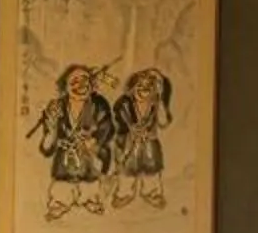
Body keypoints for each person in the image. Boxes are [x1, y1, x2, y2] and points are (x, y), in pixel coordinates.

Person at [31, 62, 115, 219]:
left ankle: (90, 199)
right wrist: (51, 125)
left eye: (84, 80)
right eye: (74, 81)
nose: (80, 85)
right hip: (65, 157)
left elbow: (108, 126)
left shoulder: (99, 104)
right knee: (63, 184)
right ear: (65, 86)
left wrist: (94, 140)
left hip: (89, 154)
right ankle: (60, 203)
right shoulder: (58, 106)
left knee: (90, 181)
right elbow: (48, 145)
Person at [111, 67, 174, 210]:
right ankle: (124, 193)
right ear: (132, 88)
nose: (144, 89)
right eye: (140, 85)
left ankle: (152, 192)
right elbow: (117, 120)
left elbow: (164, 122)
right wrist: (130, 130)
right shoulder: (124, 104)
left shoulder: (155, 103)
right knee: (127, 168)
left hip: (149, 142)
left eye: (149, 86)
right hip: (129, 142)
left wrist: (161, 97)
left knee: (152, 167)